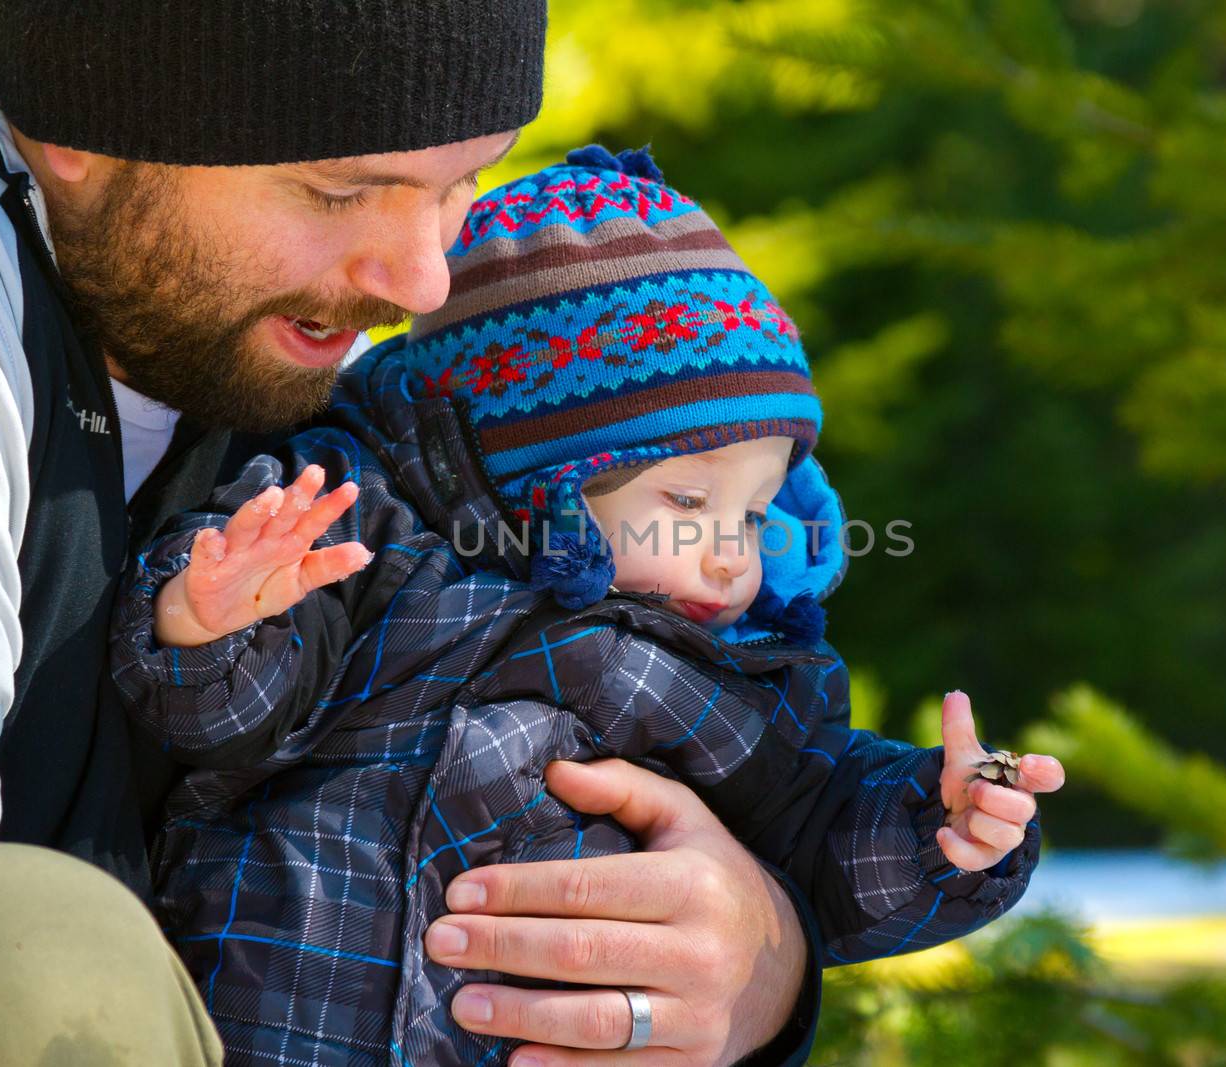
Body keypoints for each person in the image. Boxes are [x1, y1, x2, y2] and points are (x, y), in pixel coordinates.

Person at [0, 7, 859, 1064]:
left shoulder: (354, 380)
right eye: (338, 190)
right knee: (0, 948)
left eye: (459, 186)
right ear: (83, 122)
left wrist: (754, 954)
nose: (422, 280)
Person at [110, 146, 1064, 1065]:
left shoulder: (724, 673)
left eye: (759, 510)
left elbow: (818, 833)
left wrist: (942, 834)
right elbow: (225, 720)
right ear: (539, 470)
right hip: (263, 1023)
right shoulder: (365, 536)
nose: (732, 552)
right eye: (687, 502)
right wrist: (215, 616)